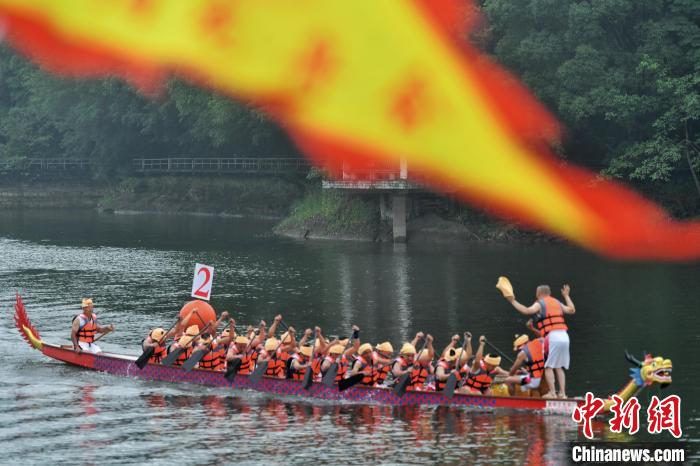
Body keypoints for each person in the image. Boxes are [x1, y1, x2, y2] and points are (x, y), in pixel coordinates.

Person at [504, 284, 575, 398]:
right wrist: (566, 296)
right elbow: (572, 310)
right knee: (559, 367)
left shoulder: (540, 303)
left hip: (552, 338)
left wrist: (512, 301)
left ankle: (552, 393)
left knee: (548, 367)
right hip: (564, 336)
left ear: (538, 294)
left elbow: (526, 310)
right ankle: (563, 394)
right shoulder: (557, 302)